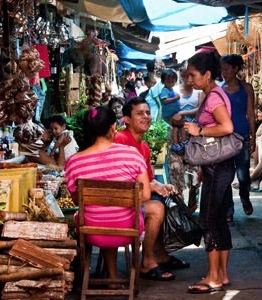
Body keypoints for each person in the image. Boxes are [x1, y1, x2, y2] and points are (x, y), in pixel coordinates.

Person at [64, 106, 151, 286]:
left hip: (91, 232)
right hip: (128, 230)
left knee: (96, 216)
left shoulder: (74, 162)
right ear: (113, 128)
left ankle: (112, 276)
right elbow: (146, 195)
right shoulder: (132, 154)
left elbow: (75, 200)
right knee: (125, 214)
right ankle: (118, 275)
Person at [114, 97, 190, 281]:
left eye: (147, 113)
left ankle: (160, 254)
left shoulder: (144, 147)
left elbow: (148, 179)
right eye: (140, 113)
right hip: (120, 199)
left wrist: (162, 186)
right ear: (126, 119)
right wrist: (153, 187)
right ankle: (147, 262)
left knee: (165, 199)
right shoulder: (120, 140)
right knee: (157, 208)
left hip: (137, 195)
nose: (146, 117)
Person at [183, 52, 235, 294]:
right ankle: (221, 275)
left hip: (218, 168)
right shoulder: (213, 94)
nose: (190, 80)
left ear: (207, 75)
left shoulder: (214, 97)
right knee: (219, 220)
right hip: (217, 167)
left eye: (193, 75)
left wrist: (198, 130)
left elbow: (227, 127)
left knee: (209, 220)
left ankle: (213, 276)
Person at [220, 54, 256, 221]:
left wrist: (253, 137)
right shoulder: (219, 90)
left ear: (235, 69)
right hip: (224, 138)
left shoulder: (247, 88)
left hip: (242, 136)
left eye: (227, 69)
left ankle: (244, 196)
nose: (224, 73)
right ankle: (228, 210)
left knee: (243, 175)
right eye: (222, 69)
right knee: (226, 176)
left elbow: (250, 114)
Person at [167, 68, 203, 212]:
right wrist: (176, 121)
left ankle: (194, 194)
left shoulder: (199, 92)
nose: (185, 78)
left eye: (187, 75)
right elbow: (168, 113)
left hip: (194, 135)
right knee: (176, 168)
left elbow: (200, 110)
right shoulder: (173, 92)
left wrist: (182, 113)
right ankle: (179, 203)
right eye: (182, 75)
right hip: (175, 134)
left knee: (194, 168)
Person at [158, 69, 185, 153]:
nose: (170, 82)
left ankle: (182, 142)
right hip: (170, 114)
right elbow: (165, 101)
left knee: (179, 126)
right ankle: (176, 143)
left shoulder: (171, 90)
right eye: (168, 81)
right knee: (176, 126)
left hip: (175, 113)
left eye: (172, 81)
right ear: (163, 81)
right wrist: (176, 98)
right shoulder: (164, 90)